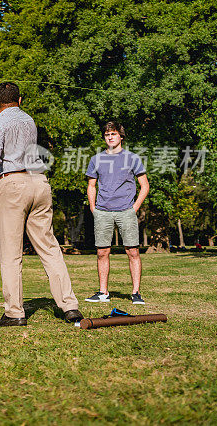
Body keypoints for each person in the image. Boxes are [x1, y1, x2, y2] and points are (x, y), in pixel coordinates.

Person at [0, 82, 83, 327]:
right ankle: (70, 306)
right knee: (50, 249)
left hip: (13, 185)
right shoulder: (28, 121)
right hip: (39, 183)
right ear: (20, 100)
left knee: (10, 254)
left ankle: (14, 313)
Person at [85, 121, 149, 305]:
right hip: (103, 212)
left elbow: (144, 186)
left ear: (121, 136)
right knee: (102, 252)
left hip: (126, 211)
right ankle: (103, 293)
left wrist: (134, 208)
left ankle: (136, 293)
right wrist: (93, 207)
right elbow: (91, 185)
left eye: (113, 134)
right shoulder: (96, 159)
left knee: (132, 251)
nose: (110, 137)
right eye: (107, 134)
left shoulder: (132, 158)